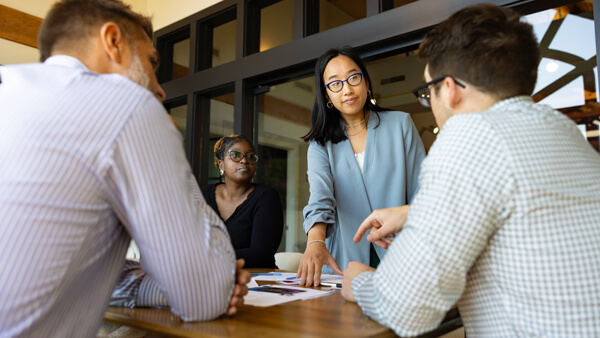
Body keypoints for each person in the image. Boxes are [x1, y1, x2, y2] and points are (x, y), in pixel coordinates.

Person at [342, 4, 600, 337]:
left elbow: (406, 307)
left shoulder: (470, 134)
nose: (431, 103)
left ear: (448, 89)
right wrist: (413, 212)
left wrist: (359, 282)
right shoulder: (563, 130)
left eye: (427, 92)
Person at [0, 1, 248, 336]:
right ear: (113, 41)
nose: (159, 89)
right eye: (151, 61)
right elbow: (204, 298)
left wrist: (163, 288)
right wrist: (170, 143)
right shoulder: (126, 103)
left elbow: (70, 275)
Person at [298, 46, 426, 286]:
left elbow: (423, 192)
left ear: (366, 82)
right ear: (327, 96)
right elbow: (320, 197)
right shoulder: (319, 145)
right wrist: (315, 241)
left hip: (401, 253)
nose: (347, 89)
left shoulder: (400, 125)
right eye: (335, 84)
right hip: (346, 259)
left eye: (353, 78)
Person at [201, 135, 284, 268]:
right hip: (208, 275)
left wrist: (209, 257)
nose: (244, 161)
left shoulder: (266, 197)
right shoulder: (204, 195)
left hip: (256, 279)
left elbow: (260, 254)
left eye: (250, 156)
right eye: (235, 155)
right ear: (221, 164)